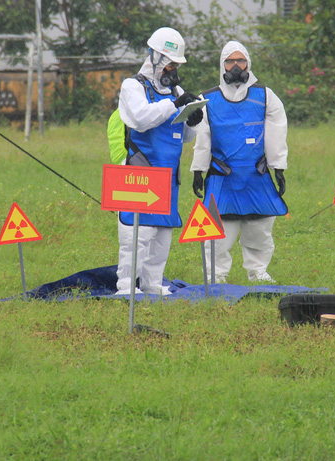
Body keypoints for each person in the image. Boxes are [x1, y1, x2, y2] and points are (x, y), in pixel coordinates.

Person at [190, 41, 288, 283]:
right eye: (230, 61)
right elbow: (202, 138)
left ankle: (258, 272)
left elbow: (277, 132)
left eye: (240, 61)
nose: (236, 66)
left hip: (257, 175)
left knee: (260, 228)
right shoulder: (207, 99)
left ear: (248, 63)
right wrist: (198, 170)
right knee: (218, 231)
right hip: (222, 177)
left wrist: (279, 168)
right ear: (222, 64)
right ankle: (216, 276)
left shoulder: (265, 96)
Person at [116, 26, 202, 296]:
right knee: (136, 235)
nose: (173, 71)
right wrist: (175, 105)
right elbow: (141, 119)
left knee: (162, 235)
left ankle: (153, 283)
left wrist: (192, 120)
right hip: (140, 174)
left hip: (168, 176)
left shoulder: (176, 90)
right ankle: (126, 287)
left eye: (176, 65)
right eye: (170, 64)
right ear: (155, 57)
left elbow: (182, 135)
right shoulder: (132, 86)